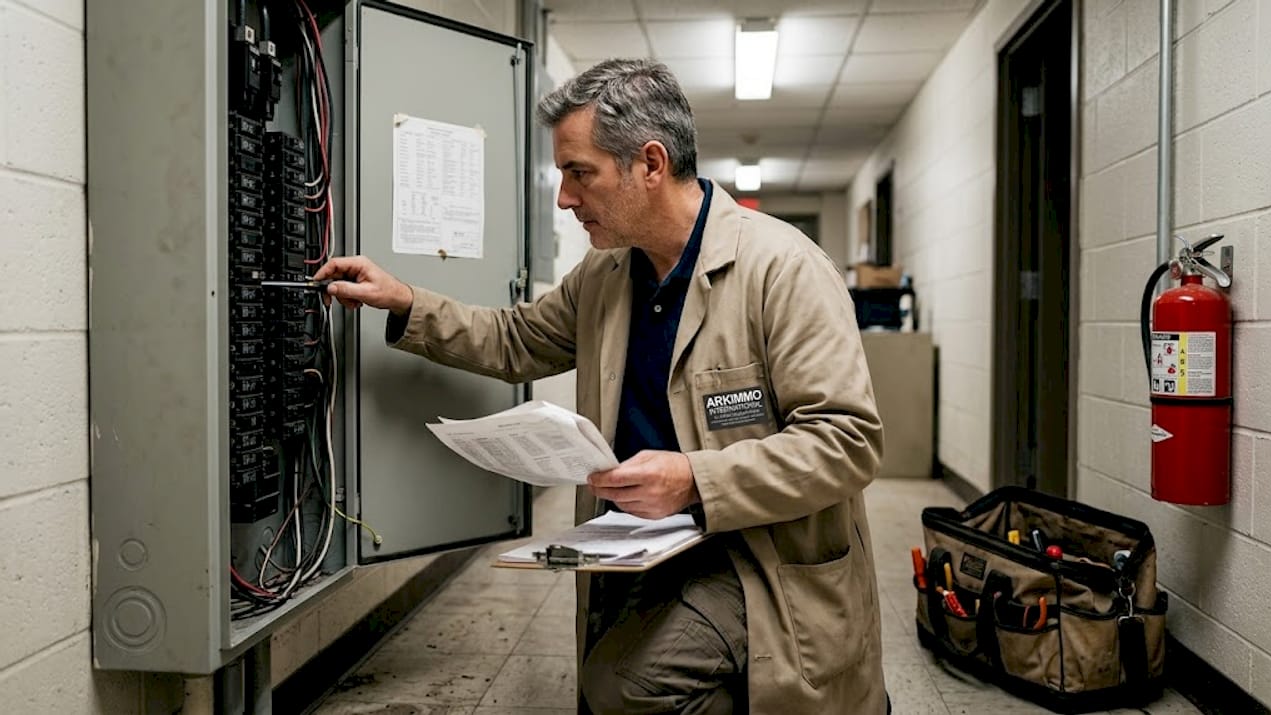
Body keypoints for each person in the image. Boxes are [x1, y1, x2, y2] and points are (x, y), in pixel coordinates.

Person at [314, 58, 887, 715]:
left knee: (625, 686)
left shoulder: (783, 269)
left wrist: (696, 478)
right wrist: (405, 301)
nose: (563, 198)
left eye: (578, 173)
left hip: (750, 553)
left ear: (650, 163)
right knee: (605, 677)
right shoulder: (609, 272)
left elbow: (846, 442)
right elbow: (517, 339)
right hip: (641, 540)